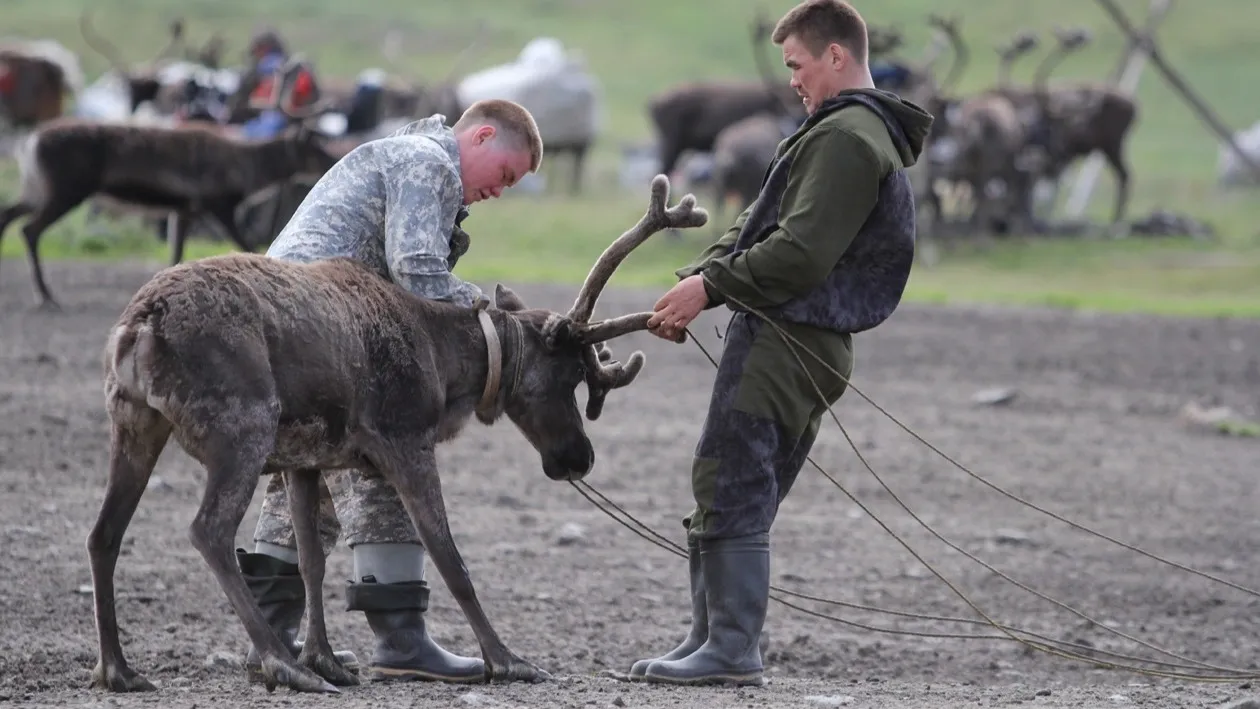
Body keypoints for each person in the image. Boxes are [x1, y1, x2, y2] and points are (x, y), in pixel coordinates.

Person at [635, 0, 934, 687]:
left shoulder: (846, 137)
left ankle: (731, 650)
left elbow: (799, 252)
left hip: (787, 338)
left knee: (732, 477)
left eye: (798, 65)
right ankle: (708, 636)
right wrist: (700, 275)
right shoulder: (838, 132)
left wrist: (708, 291)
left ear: (836, 56)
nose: (793, 79)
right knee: (730, 479)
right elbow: (754, 224)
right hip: (795, 335)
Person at [233, 98, 544, 685]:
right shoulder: (429, 164)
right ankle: (401, 639)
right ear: (479, 138)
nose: (498, 192)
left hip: (282, 326)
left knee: (303, 468)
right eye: (504, 175)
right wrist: (493, 321)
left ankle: (272, 634)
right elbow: (417, 268)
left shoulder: (399, 155)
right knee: (390, 457)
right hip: (317, 326)